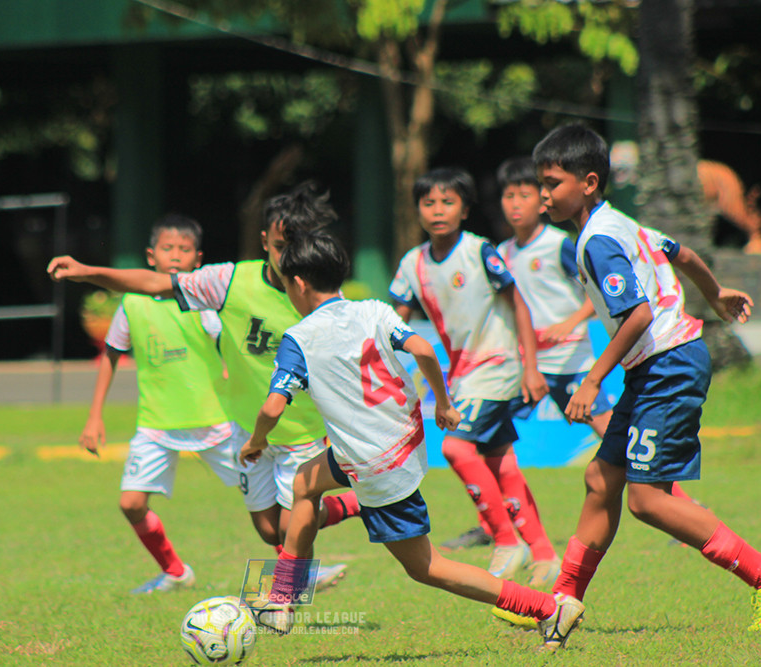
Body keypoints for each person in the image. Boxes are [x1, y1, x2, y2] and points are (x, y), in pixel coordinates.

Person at [238, 226, 570, 638]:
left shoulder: (299, 338)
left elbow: (273, 406)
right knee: (305, 484)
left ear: (299, 284)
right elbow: (424, 349)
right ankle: (284, 599)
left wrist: (256, 441)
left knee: (426, 567)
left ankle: (545, 607)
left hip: (373, 462)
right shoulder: (374, 310)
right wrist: (443, 404)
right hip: (399, 443)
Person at [525, 123, 761, 649]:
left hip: (668, 363)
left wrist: (592, 380)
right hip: (656, 365)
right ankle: (562, 601)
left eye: (552, 183)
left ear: (589, 182)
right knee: (601, 479)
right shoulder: (619, 224)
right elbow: (679, 252)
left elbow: (637, 314)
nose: (542, 194)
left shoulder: (596, 241)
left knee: (646, 500)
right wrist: (713, 295)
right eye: (540, 183)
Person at [47, 183, 359, 592]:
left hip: (301, 432)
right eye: (281, 245)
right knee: (268, 529)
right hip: (250, 431)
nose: (287, 257)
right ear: (265, 240)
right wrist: (89, 272)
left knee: (290, 524)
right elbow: (154, 284)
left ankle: (294, 584)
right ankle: (351, 505)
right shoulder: (228, 282)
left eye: (297, 246)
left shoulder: (317, 295)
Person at [438, 157, 616, 569]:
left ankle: (673, 498)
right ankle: (495, 524)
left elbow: (598, 293)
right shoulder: (498, 253)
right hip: (520, 369)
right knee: (482, 443)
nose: (515, 203)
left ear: (542, 200)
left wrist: (569, 322)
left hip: (569, 362)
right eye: (508, 195)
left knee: (613, 438)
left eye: (525, 194)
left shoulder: (560, 244)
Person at [388, 166, 558, 588]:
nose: (438, 210)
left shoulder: (480, 251)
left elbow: (518, 304)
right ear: (418, 211)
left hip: (499, 363)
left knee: (457, 448)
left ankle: (505, 539)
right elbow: (394, 323)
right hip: (463, 373)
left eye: (448, 202)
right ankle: (544, 553)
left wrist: (531, 367)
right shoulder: (412, 263)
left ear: (465, 210)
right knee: (500, 460)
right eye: (429, 203)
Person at [77, 214, 245, 594]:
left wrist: (232, 375)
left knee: (265, 503)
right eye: (167, 248)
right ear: (151, 256)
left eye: (184, 250)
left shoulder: (204, 305)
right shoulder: (132, 304)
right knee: (131, 503)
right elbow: (112, 354)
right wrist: (94, 417)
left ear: (197, 259)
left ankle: (296, 566)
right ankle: (174, 571)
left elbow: (232, 352)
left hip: (215, 423)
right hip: (157, 425)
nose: (175, 256)